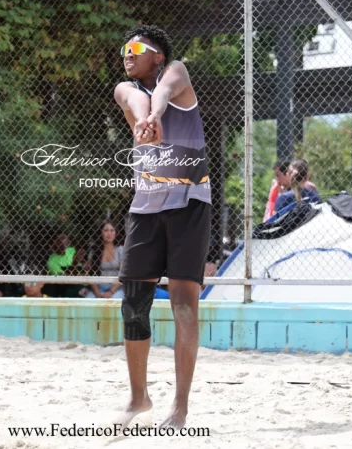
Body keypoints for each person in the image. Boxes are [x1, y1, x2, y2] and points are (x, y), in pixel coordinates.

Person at [113, 25, 212, 429]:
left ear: (157, 55)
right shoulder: (125, 89)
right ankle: (139, 397)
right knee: (134, 303)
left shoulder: (176, 72)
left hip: (189, 203)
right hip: (146, 208)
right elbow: (135, 100)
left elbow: (164, 91)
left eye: (136, 47)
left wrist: (155, 115)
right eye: (124, 48)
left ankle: (180, 407)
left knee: (183, 304)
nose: (127, 53)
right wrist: (144, 119)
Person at [84, 221, 125, 299]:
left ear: (115, 233)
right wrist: (97, 293)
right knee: (88, 301)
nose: (109, 233)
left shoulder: (120, 250)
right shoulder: (94, 251)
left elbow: (123, 274)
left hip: (116, 288)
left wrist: (111, 292)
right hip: (99, 288)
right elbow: (90, 274)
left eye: (112, 230)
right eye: (106, 230)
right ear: (101, 233)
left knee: (114, 301)